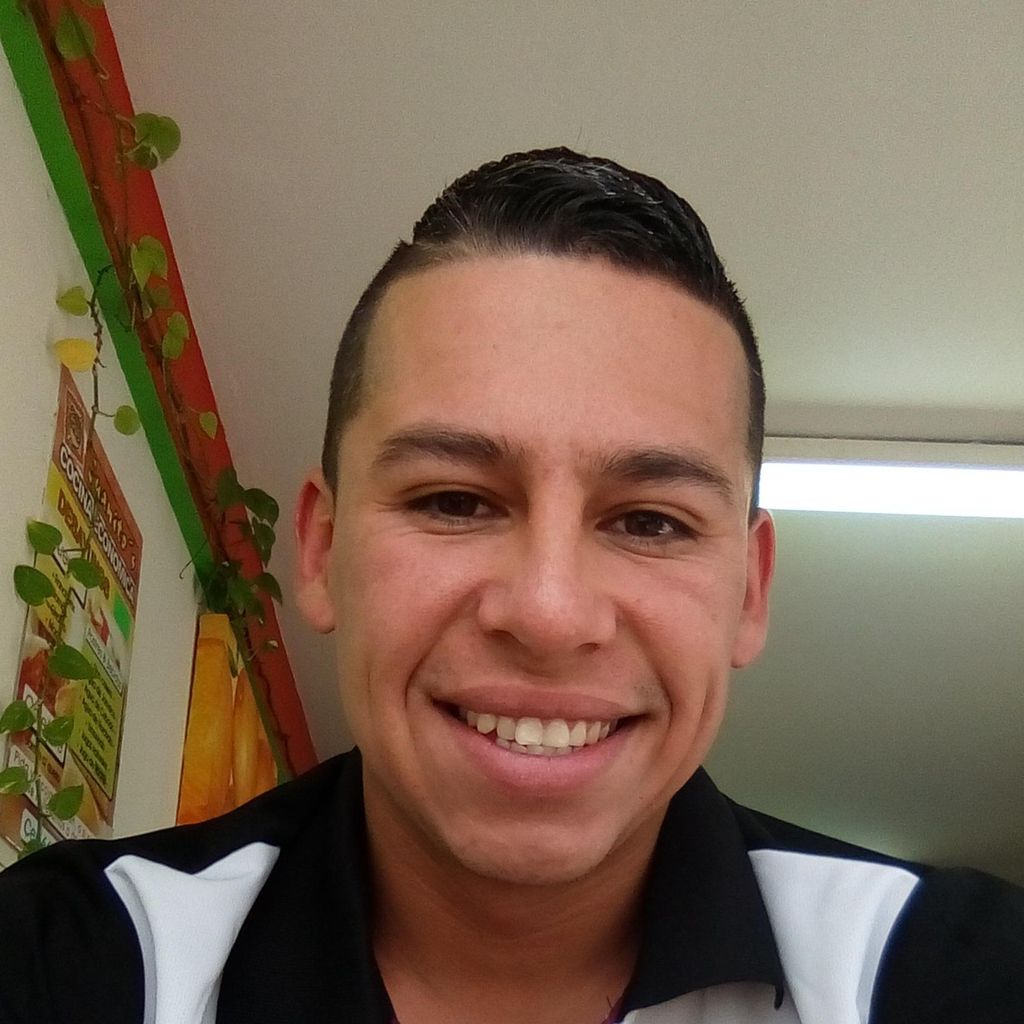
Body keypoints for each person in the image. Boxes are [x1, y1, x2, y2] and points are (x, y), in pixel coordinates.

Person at [0, 148, 1021, 1024]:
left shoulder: (946, 972)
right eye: (453, 500)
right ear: (319, 550)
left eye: (650, 521)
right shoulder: (75, 962)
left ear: (748, 594)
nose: (548, 612)